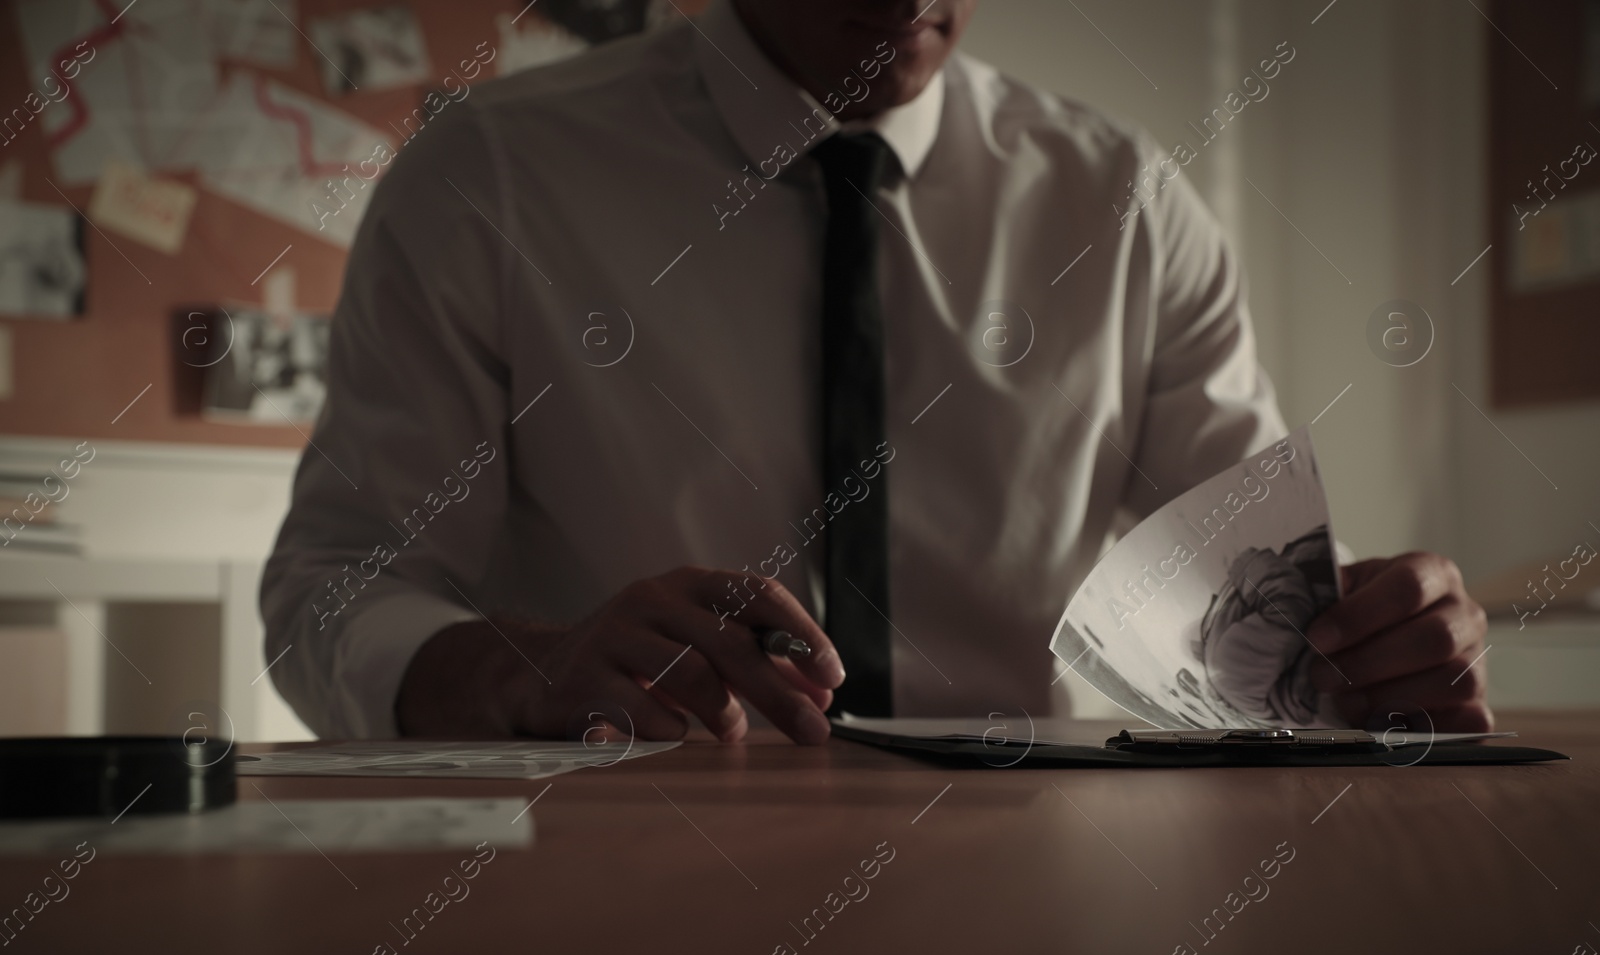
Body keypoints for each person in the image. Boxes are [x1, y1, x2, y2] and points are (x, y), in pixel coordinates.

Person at [260, 0, 1491, 744]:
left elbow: (1255, 614)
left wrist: (1369, 643)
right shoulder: (488, 180)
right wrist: (525, 667)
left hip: (1024, 878)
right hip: (603, 870)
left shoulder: (1128, 206)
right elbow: (331, 590)